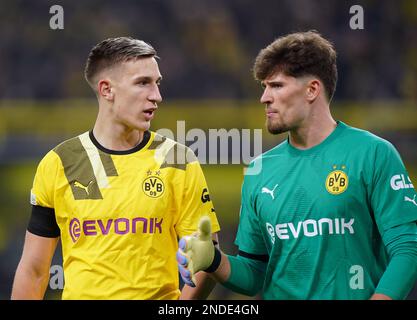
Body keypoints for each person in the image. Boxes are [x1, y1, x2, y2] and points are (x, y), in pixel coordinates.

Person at [177, 31, 417, 299]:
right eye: (264, 87)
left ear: (312, 89)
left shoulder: (372, 154)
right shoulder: (259, 171)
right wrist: (214, 260)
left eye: (276, 86)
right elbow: (256, 274)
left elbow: (408, 248)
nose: (265, 97)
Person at [11, 37, 220, 300]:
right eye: (143, 83)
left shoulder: (177, 159)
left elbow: (207, 259)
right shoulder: (59, 162)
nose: (157, 96)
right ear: (107, 89)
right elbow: (34, 270)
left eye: (157, 83)